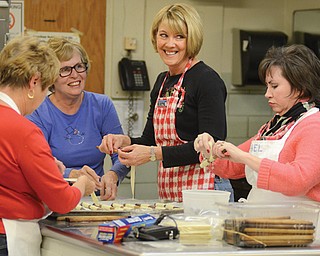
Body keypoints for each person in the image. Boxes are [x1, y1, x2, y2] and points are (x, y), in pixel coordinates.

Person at [98, 3, 234, 202]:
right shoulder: (162, 81)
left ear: (192, 39)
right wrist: (125, 141)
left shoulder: (207, 80)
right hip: (171, 191)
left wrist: (153, 154)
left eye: (179, 36)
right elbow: (149, 140)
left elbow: (211, 146)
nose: (170, 44)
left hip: (207, 188)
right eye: (164, 35)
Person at [0, 36, 95, 256]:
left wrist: (44, 165)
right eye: (46, 88)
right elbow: (62, 201)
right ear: (33, 83)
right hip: (8, 237)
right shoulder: (24, 131)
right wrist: (82, 184)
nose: (44, 97)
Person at [194, 44, 320, 203]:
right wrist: (209, 149)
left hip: (299, 224)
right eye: (267, 86)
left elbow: (298, 181)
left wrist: (245, 157)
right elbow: (231, 166)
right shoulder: (275, 126)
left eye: (274, 86)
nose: (267, 94)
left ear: (300, 88)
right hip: (263, 221)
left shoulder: (314, 125)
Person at [27, 37, 130, 200]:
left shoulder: (102, 105)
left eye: (79, 67)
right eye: (65, 69)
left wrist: (114, 174)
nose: (75, 75)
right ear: (51, 76)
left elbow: (124, 154)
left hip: (96, 201)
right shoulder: (39, 111)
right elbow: (36, 164)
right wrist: (72, 174)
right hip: (54, 200)